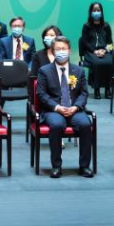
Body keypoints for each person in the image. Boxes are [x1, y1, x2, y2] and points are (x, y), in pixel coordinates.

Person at [36, 36, 93, 178]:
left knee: (86, 124)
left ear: (69, 50)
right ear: (53, 51)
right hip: (53, 111)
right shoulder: (44, 71)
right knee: (56, 125)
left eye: (64, 49)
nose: (61, 51)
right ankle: (56, 166)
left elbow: (84, 93)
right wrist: (57, 108)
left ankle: (84, 166)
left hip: (74, 109)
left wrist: (76, 107)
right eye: (58, 49)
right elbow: (42, 94)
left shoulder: (79, 71)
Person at [81, 2, 114, 99]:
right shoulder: (86, 26)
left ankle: (108, 89)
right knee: (97, 63)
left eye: (98, 10)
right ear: (90, 12)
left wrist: (105, 51)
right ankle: (97, 89)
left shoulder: (106, 26)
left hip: (104, 51)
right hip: (91, 52)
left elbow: (110, 43)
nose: (96, 12)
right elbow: (85, 43)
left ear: (101, 12)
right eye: (94, 10)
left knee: (110, 62)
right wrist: (95, 51)